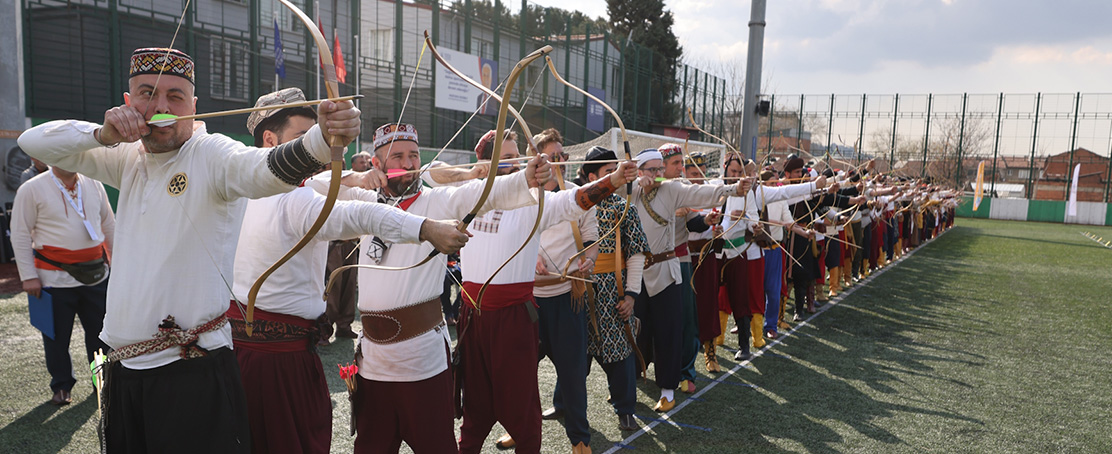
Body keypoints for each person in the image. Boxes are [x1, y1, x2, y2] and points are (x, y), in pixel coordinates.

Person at [17, 47, 361, 453]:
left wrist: (323, 140)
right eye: (148, 94)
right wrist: (102, 134)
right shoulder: (125, 157)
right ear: (128, 104)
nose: (161, 107)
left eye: (175, 97)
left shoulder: (212, 153)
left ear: (194, 107)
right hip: (124, 369)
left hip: (192, 370)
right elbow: (33, 140)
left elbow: (264, 169)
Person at [228, 89, 469, 454]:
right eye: (302, 141)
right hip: (280, 362)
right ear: (269, 140)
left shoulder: (242, 186)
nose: (313, 151)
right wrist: (427, 228)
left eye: (316, 141)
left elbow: (324, 183)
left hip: (247, 353)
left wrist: (355, 181)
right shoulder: (295, 198)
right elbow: (360, 215)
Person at [349, 123, 553, 454]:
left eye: (414, 155)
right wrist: (357, 178)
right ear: (376, 165)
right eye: (397, 156)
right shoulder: (361, 201)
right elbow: (318, 186)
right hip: (373, 360)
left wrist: (525, 176)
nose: (409, 162)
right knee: (371, 446)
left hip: (421, 359)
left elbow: (479, 193)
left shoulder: (436, 201)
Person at [446, 129, 636, 454]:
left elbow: (574, 201)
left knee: (535, 400)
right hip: (473, 318)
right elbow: (429, 178)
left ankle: (575, 438)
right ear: (485, 163)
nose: (516, 164)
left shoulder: (535, 201)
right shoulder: (466, 195)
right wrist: (473, 173)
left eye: (516, 156)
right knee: (475, 407)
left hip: (523, 312)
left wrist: (614, 180)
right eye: (506, 158)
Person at [631, 148, 754, 412]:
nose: (657, 174)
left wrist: (733, 189)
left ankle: (667, 390)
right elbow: (603, 190)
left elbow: (700, 193)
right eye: (652, 170)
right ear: (640, 171)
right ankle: (629, 383)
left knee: (669, 331)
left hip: (666, 269)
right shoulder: (631, 190)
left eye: (659, 170)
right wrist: (629, 180)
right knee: (636, 329)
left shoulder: (673, 189)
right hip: (636, 269)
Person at [11, 164, 114, 406]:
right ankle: (61, 384)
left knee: (100, 335)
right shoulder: (31, 189)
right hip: (52, 279)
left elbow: (109, 224)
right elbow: (20, 233)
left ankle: (101, 382)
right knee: (56, 337)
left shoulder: (94, 183)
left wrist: (117, 265)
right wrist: (28, 276)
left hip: (97, 276)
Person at [530, 128, 599, 452]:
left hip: (569, 296)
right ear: (537, 161)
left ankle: (580, 440)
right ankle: (521, 428)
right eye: (551, 157)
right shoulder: (523, 197)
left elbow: (592, 241)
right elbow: (514, 242)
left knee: (573, 373)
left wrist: (588, 260)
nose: (558, 162)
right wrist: (532, 260)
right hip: (531, 300)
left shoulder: (579, 195)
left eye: (562, 156)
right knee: (522, 372)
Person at [582, 146, 649, 433]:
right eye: (609, 173)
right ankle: (563, 403)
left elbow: (636, 253)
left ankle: (626, 411)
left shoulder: (624, 208)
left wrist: (631, 295)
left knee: (620, 355)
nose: (615, 178)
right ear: (590, 176)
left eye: (616, 172)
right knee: (573, 357)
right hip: (579, 293)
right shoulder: (574, 204)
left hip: (613, 293)